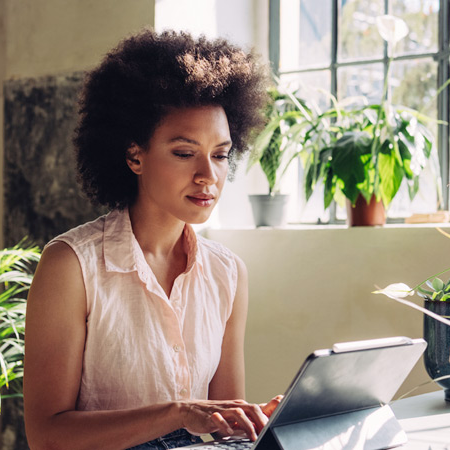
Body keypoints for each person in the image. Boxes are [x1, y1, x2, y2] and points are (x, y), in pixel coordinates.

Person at [23, 29, 281, 450]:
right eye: (184, 152)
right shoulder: (72, 266)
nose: (208, 176)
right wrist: (176, 413)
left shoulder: (228, 272)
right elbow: (47, 436)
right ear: (134, 156)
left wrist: (257, 419)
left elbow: (222, 430)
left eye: (220, 154)